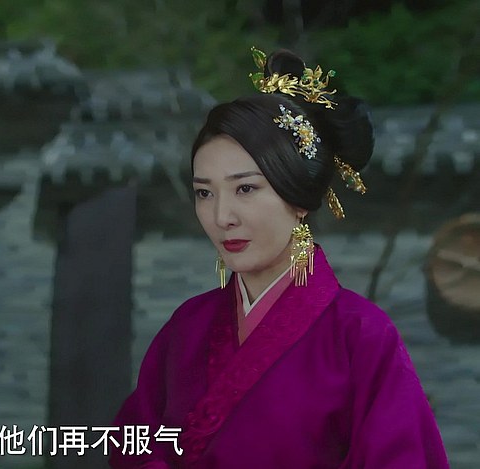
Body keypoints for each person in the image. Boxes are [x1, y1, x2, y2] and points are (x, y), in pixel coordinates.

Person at [109, 48, 449, 468]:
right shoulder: (188, 327)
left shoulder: (361, 336)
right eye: (204, 193)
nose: (222, 216)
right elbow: (133, 444)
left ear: (298, 197)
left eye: (245, 189)